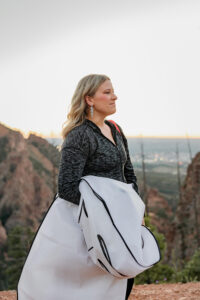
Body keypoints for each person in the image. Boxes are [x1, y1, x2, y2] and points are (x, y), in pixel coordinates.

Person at [17, 73, 145, 300]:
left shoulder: (115, 129)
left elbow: (129, 174)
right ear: (89, 99)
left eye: (113, 91)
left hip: (120, 219)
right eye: (107, 92)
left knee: (123, 272)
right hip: (88, 224)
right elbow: (67, 187)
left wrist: (134, 209)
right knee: (87, 282)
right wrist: (103, 214)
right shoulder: (79, 136)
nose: (115, 96)